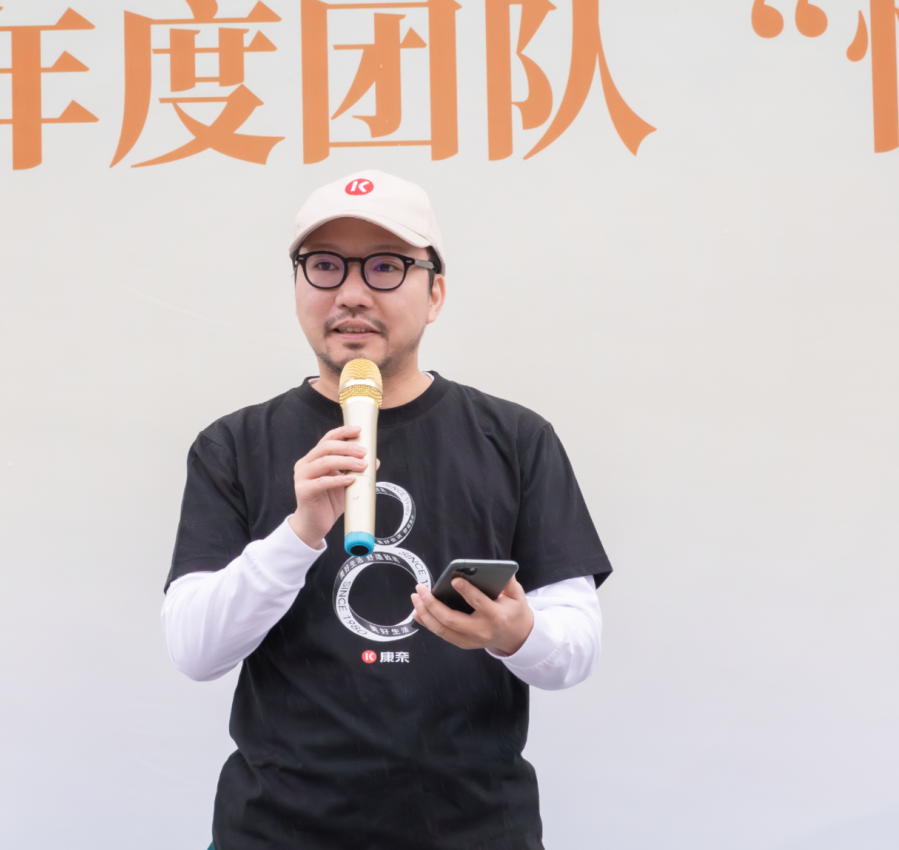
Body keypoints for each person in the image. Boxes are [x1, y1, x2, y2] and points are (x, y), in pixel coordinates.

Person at [162, 170, 613, 850]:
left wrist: (517, 634)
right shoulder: (233, 445)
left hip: (474, 831)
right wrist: (299, 533)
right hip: (278, 832)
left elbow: (575, 649)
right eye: (324, 266)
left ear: (435, 293)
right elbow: (195, 651)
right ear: (297, 288)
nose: (350, 293)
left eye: (384, 266)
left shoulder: (516, 440)